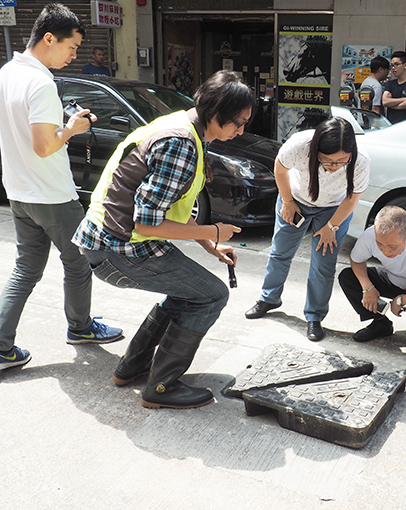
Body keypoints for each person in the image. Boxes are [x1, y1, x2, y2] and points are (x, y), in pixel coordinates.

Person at [72, 70, 254, 409]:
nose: (241, 130)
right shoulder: (182, 143)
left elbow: (171, 207)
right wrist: (212, 231)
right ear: (215, 113)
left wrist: (210, 246)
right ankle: (161, 386)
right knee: (212, 295)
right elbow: (149, 221)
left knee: (190, 293)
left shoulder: (181, 126)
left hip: (110, 240)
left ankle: (131, 367)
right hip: (117, 248)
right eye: (237, 122)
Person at [0, 4, 123, 372]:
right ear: (49, 38)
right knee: (80, 262)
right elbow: (43, 145)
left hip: (20, 193)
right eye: (72, 47)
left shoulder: (7, 72)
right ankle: (81, 327)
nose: (74, 55)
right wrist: (71, 129)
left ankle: (1, 345)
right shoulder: (40, 83)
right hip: (53, 195)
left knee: (26, 270)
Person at [245, 117, 370, 342]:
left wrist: (332, 226)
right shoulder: (299, 145)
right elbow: (280, 169)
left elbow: (352, 198)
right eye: (327, 161)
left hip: (334, 209)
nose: (334, 167)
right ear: (315, 149)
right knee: (280, 252)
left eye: (342, 161)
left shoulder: (360, 160)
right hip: (296, 200)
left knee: (324, 263)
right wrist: (288, 202)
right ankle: (269, 298)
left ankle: (315, 315)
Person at [338, 206, 406, 358]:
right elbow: (356, 259)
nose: (385, 251)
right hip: (393, 278)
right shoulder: (371, 235)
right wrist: (367, 287)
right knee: (347, 277)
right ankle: (381, 324)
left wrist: (400, 300)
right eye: (380, 245)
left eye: (392, 246)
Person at [382, 51, 406, 124]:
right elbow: (385, 102)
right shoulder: (390, 84)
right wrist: (405, 99)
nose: (393, 68)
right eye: (392, 65)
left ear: (405, 65)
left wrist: (392, 105)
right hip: (391, 124)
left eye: (396, 64)